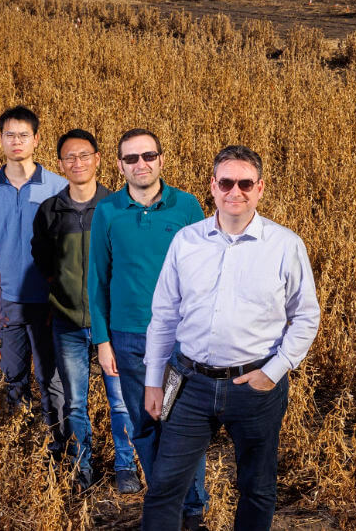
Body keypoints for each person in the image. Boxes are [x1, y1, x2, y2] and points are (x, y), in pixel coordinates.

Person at [141, 146, 321, 531]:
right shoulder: (187, 241)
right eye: (225, 182)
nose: (234, 191)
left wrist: (273, 371)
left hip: (254, 387)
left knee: (257, 488)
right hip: (188, 384)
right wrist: (154, 380)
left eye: (244, 183)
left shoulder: (285, 245)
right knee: (165, 487)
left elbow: (306, 316)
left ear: (260, 189)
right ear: (212, 186)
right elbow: (164, 316)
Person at [88, 128, 209, 527]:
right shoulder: (107, 211)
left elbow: (206, 273)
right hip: (128, 338)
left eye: (148, 156)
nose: (141, 164)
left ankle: (191, 511)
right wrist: (103, 341)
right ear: (119, 164)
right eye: (131, 158)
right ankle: (165, 506)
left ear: (161, 159)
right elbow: (98, 280)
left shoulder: (187, 206)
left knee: (184, 427)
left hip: (180, 340)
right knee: (144, 423)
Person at [31, 129, 141, 493]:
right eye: (69, 158)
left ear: (97, 159)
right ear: (60, 164)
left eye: (84, 155)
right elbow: (43, 261)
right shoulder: (49, 211)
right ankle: (83, 467)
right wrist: (62, 294)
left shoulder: (119, 207)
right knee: (75, 403)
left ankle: (126, 467)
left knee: (121, 402)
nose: (77, 163)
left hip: (114, 324)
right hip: (67, 323)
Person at [0, 106, 68, 449]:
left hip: (48, 301)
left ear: (36, 140)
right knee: (14, 377)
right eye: (9, 135)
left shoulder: (58, 187)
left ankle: (59, 443)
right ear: (0, 139)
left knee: (52, 378)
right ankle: (21, 444)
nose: (16, 141)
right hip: (5, 300)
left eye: (23, 135)